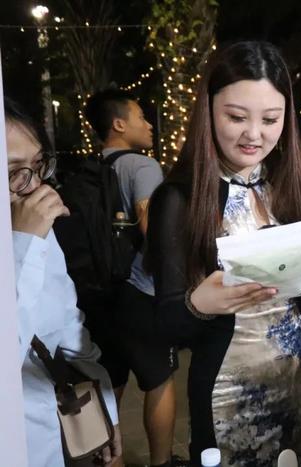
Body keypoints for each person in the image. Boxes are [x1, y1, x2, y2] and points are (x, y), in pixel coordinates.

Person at [145, 41, 301, 465]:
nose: (254, 135)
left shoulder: (286, 191)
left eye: (270, 119)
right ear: (209, 112)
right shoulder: (179, 198)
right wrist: (200, 304)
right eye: (236, 117)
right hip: (227, 391)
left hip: (293, 380)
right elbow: (165, 325)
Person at [6, 96, 121, 466]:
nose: (33, 185)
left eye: (37, 165)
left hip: (56, 431)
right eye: (13, 172)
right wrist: (24, 243)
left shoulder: (36, 227)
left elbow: (66, 325)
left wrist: (106, 411)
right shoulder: (30, 231)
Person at [84, 90, 179, 467]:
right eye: (141, 117)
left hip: (99, 291)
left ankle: (110, 459)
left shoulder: (95, 169)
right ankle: (161, 462)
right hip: (139, 291)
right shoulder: (142, 166)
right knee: (160, 380)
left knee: (110, 383)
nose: (149, 125)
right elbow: (150, 225)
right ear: (119, 124)